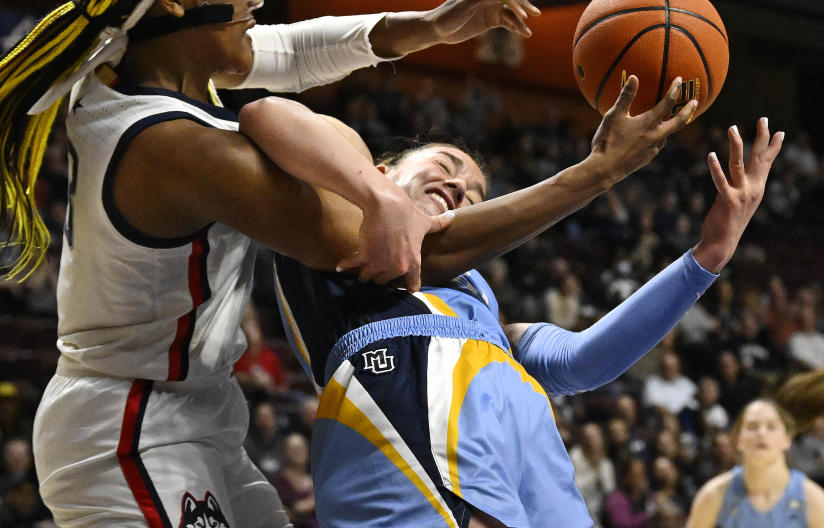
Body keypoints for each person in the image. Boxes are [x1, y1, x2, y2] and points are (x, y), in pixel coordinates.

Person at [0, 0, 597, 527]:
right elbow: (405, 248)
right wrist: (599, 172)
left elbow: (292, 51)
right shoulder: (177, 146)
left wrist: (431, 26)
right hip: (129, 426)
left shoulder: (141, 59)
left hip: (197, 419)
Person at [255, 113, 783, 526]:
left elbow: (579, 361)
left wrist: (707, 255)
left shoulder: (477, 300)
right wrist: (376, 195)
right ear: (384, 168)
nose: (460, 185)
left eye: (477, 192)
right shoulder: (337, 221)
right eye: (444, 164)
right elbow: (266, 113)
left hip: (528, 460)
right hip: (405, 418)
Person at [686, 399, 824, 527]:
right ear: (738, 440)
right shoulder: (714, 494)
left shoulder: (812, 499)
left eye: (771, 427)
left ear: (787, 439)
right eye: (752, 427)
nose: (761, 433)